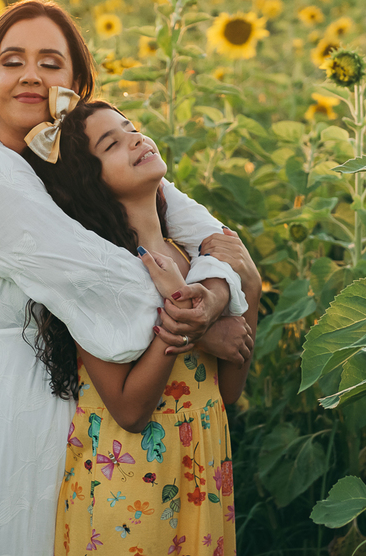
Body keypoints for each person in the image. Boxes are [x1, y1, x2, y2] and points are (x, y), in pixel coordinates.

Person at [0, 0, 256, 556]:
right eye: (12, 60)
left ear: (74, 85)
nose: (30, 75)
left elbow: (222, 244)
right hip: (7, 399)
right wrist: (202, 325)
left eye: (50, 62)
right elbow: (97, 278)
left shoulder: (80, 170)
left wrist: (211, 297)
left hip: (84, 408)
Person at [21, 98, 261, 556]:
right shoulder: (96, 276)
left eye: (131, 127)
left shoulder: (188, 257)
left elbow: (226, 390)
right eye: (112, 143)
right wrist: (182, 324)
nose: (134, 138)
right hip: (131, 480)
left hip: (201, 462)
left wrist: (250, 287)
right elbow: (129, 411)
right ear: (91, 185)